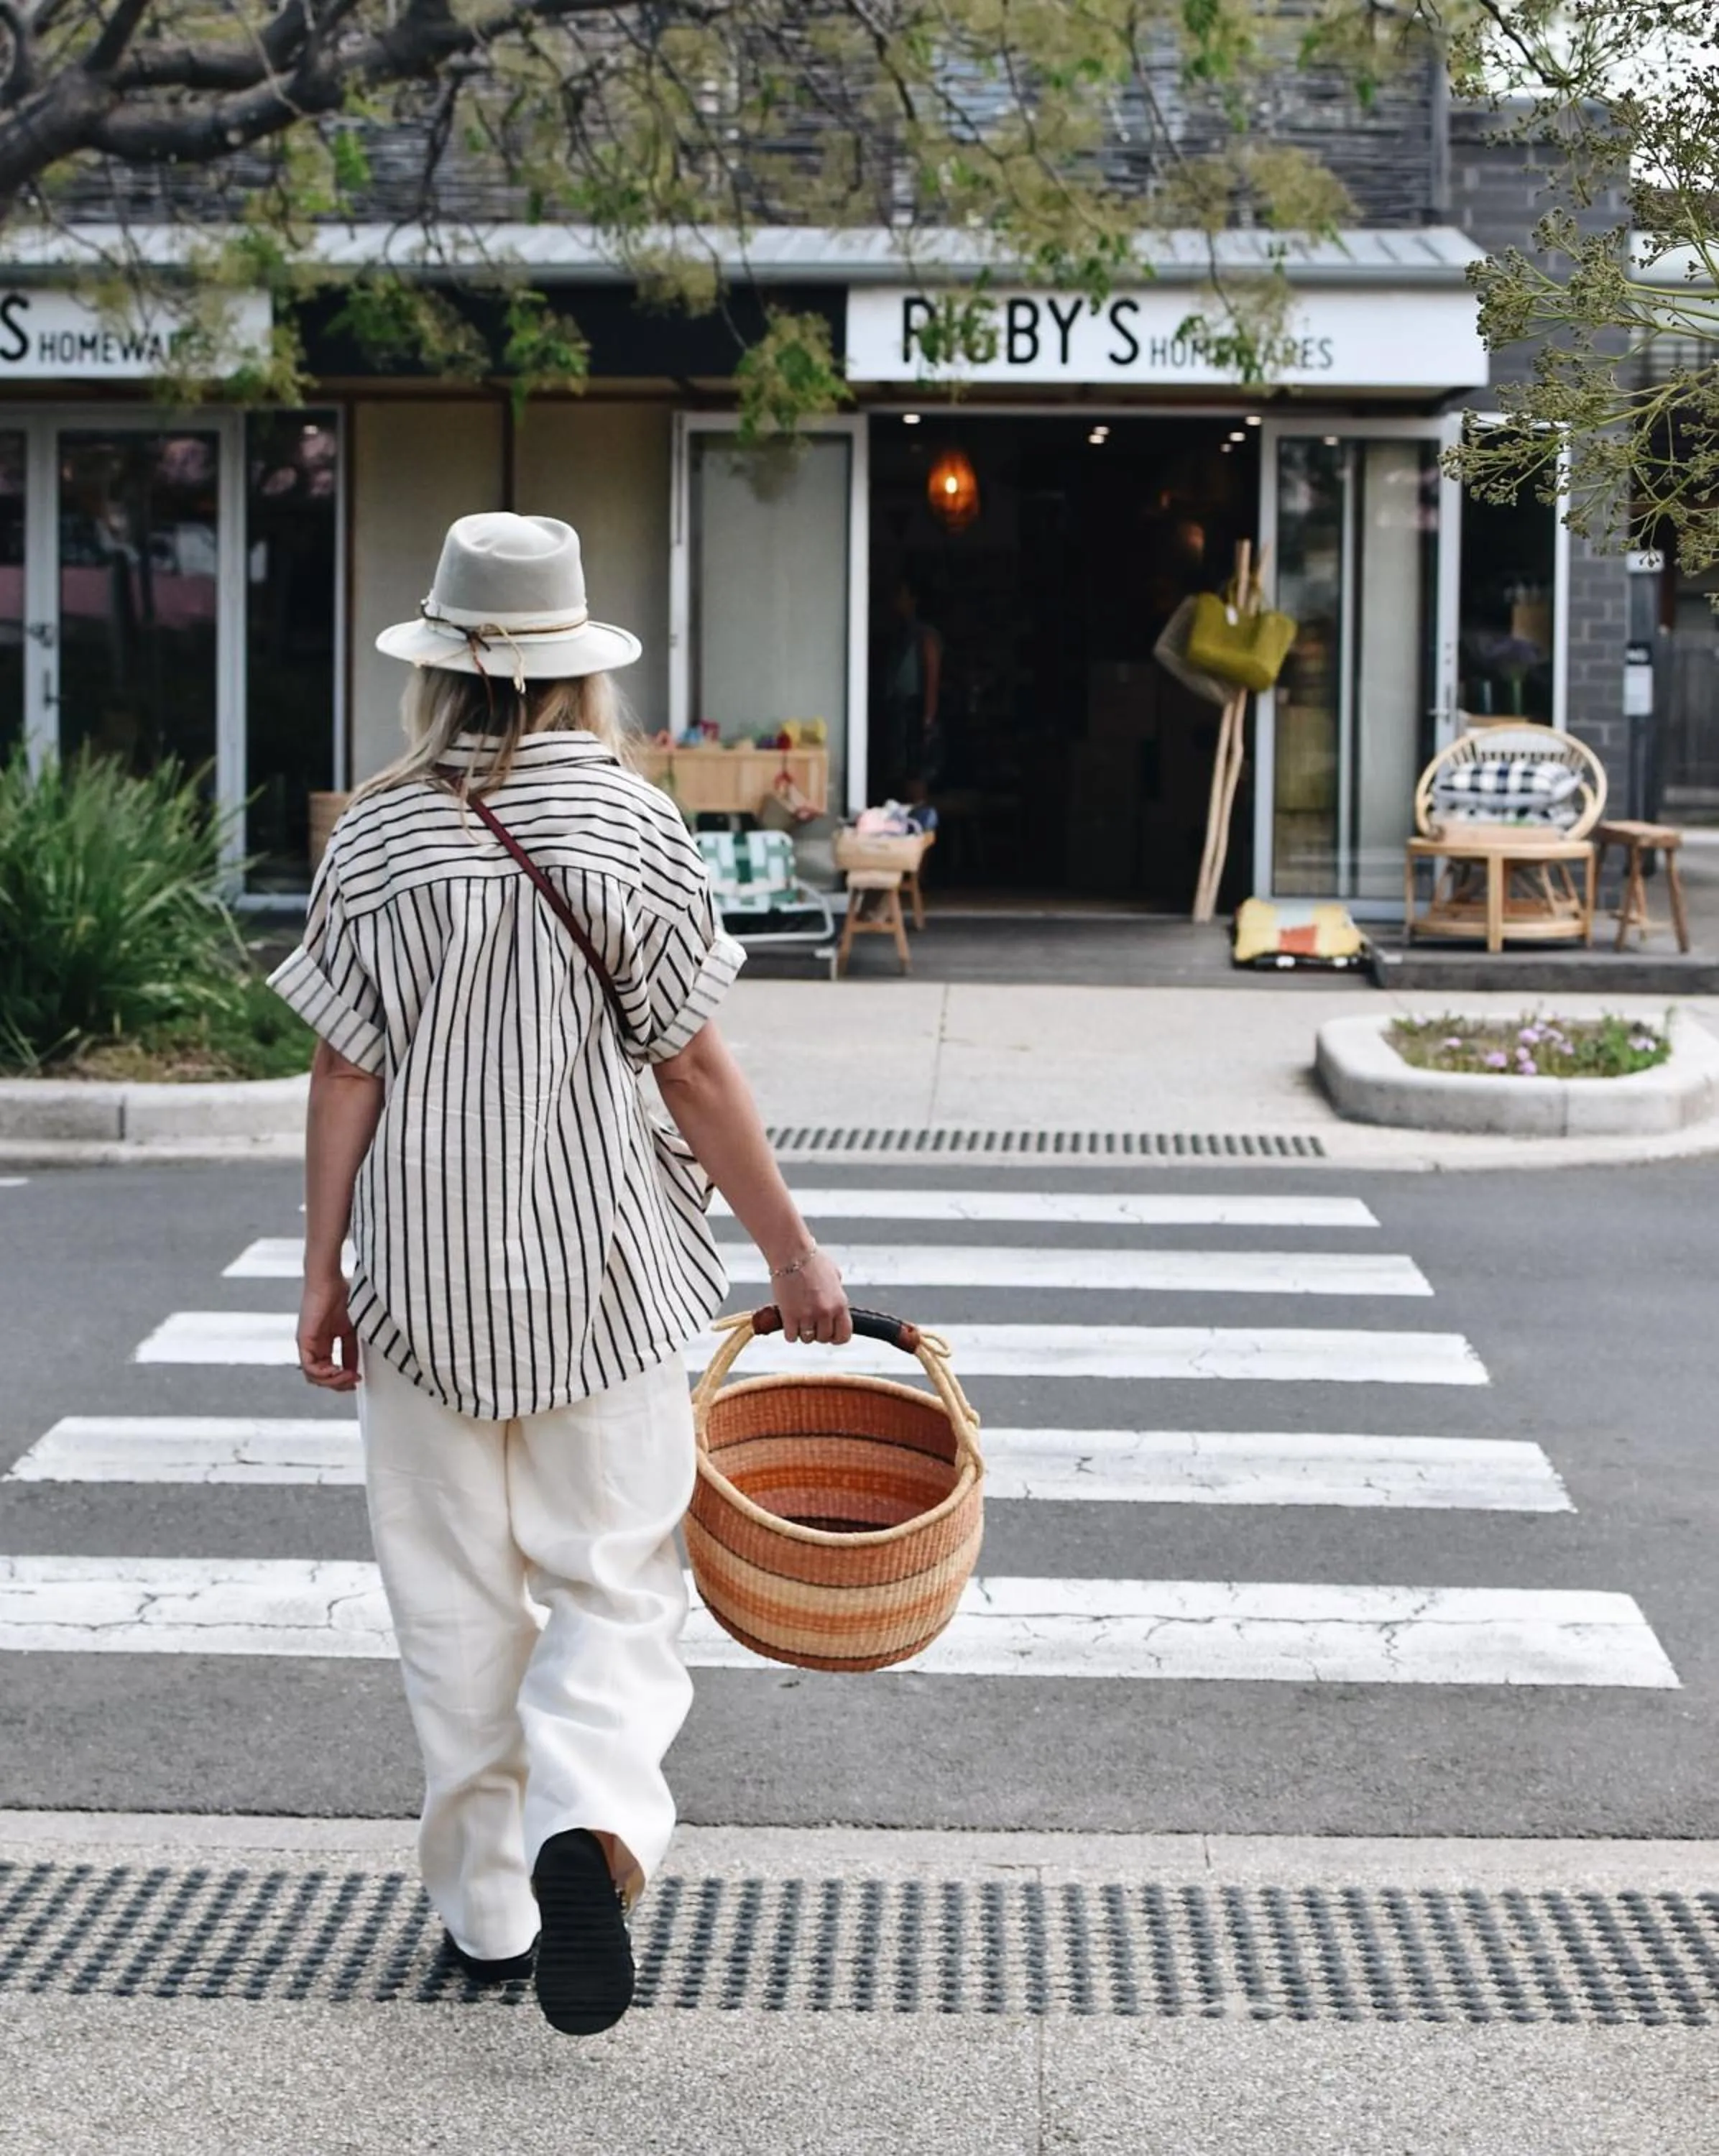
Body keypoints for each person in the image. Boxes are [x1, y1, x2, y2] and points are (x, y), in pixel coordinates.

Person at [268, 511, 850, 2037]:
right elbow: (696, 1070)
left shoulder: (376, 837)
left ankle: (484, 1915)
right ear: (574, 669)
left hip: (422, 1281)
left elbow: (344, 1071)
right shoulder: (631, 829)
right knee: (613, 1584)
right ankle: (586, 1821)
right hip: (606, 1278)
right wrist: (789, 1252)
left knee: (453, 1607)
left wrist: (322, 1272)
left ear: (441, 671)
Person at [882, 576, 944, 801]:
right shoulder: (900, 634)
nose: (895, 600)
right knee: (899, 774)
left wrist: (927, 722)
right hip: (899, 711)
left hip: (915, 712)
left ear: (913, 599)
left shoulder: (925, 635)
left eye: (901, 595)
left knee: (915, 776)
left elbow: (931, 679)